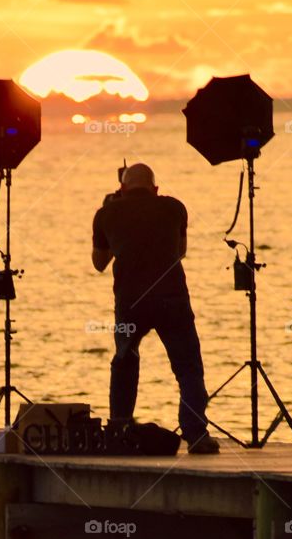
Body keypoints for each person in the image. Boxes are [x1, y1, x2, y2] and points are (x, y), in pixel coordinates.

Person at [91, 162, 218, 453]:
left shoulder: (106, 213)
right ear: (155, 188)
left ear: (123, 188)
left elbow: (99, 263)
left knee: (125, 361)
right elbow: (180, 252)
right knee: (188, 367)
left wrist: (112, 221)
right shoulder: (174, 208)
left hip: (130, 303)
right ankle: (196, 435)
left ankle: (120, 431)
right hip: (172, 299)